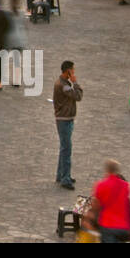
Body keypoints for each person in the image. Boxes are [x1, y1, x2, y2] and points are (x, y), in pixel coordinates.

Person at [89, 159, 130, 242]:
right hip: (124, 227)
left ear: (107, 170)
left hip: (108, 225)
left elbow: (96, 205)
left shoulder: (101, 185)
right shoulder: (126, 185)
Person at [54, 60, 82, 189]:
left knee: (64, 148)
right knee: (67, 150)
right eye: (73, 70)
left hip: (64, 119)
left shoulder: (63, 83)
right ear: (68, 71)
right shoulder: (64, 86)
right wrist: (75, 82)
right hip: (64, 120)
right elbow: (78, 96)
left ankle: (61, 174)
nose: (74, 72)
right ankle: (65, 178)